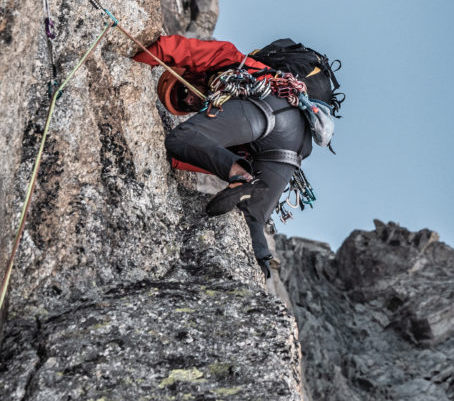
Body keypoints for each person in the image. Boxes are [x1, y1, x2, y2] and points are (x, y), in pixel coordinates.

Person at [132, 34, 340, 278]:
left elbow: (172, 48)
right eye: (184, 104)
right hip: (292, 145)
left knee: (181, 139)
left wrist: (132, 62)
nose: (188, 100)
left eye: (182, 90)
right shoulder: (227, 117)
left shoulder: (228, 60)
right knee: (251, 220)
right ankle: (261, 276)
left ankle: (240, 176)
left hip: (267, 103)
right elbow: (209, 156)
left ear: (189, 76)